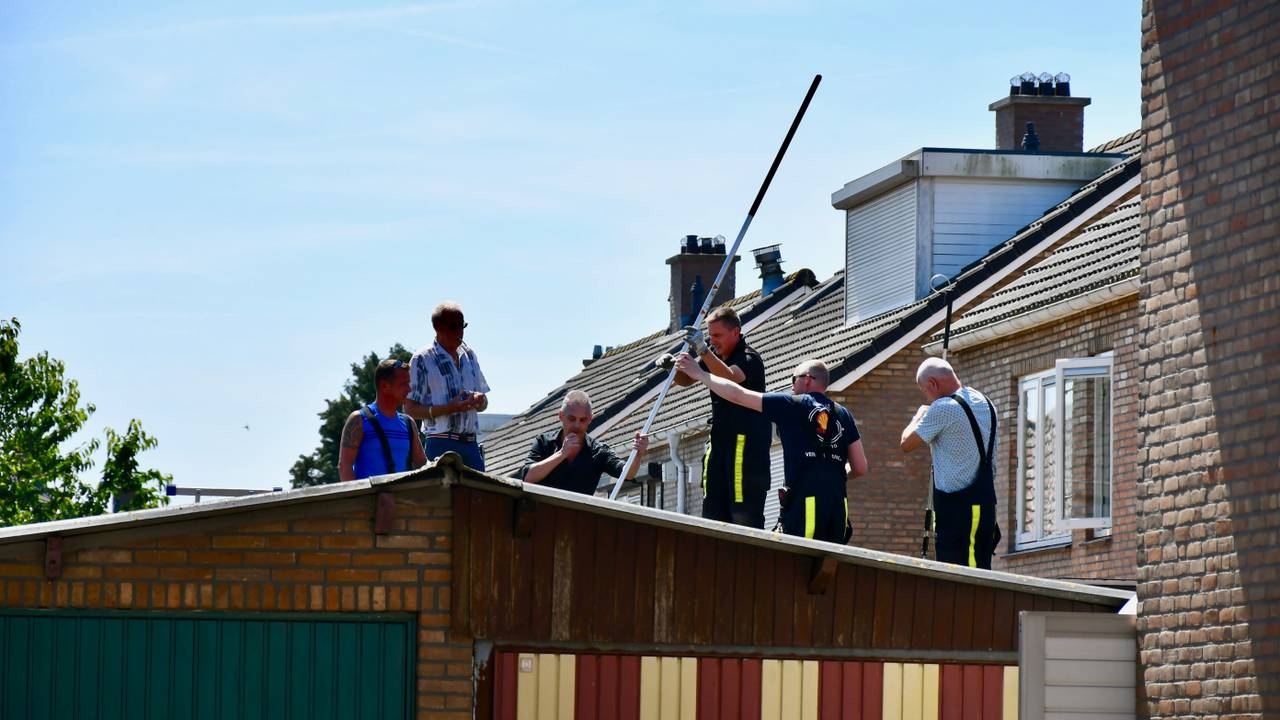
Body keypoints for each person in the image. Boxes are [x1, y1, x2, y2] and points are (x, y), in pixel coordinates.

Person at [674, 354, 868, 543]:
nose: (791, 386)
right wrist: (836, 473)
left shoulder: (793, 404)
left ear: (807, 380)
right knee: (828, 568)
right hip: (838, 509)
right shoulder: (843, 414)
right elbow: (860, 467)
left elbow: (738, 395)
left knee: (797, 567)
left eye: (794, 379)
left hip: (805, 504)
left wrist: (699, 373)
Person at [659, 307, 772, 528]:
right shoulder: (713, 354)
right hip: (720, 442)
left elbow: (730, 377)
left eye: (717, 335)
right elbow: (687, 379)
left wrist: (702, 350)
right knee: (712, 511)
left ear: (736, 333)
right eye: (710, 336)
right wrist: (671, 367)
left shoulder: (749, 358)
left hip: (745, 448)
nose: (713, 341)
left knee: (743, 514)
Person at [899, 357, 1001, 569]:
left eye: (924, 391)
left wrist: (919, 414)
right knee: (976, 570)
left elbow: (906, 443)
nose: (926, 397)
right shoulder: (985, 402)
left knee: (966, 581)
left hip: (959, 510)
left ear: (933, 384)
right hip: (985, 504)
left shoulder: (943, 408)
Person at [403, 302, 490, 471]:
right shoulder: (422, 359)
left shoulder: (469, 355)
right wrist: (449, 408)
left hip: (471, 444)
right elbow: (409, 409)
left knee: (478, 496)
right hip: (440, 443)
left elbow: (484, 404)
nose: (459, 332)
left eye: (462, 326)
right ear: (437, 327)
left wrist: (480, 401)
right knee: (440, 497)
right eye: (453, 327)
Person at [518, 390, 650, 493]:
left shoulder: (598, 451)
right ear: (561, 416)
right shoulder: (543, 443)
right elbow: (528, 477)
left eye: (582, 420)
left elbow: (627, 474)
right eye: (572, 419)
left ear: (590, 420)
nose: (576, 425)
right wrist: (562, 453)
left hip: (578, 523)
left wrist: (638, 455)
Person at [338, 359, 427, 481]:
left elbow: (423, 466)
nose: (409, 389)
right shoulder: (359, 419)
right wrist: (358, 499)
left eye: (408, 383)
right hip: (369, 498)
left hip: (401, 498)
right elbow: (345, 466)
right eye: (403, 384)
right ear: (384, 385)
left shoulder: (408, 423)